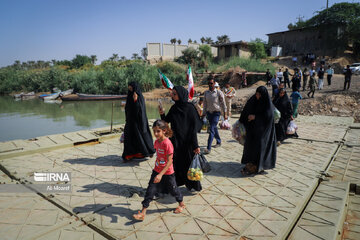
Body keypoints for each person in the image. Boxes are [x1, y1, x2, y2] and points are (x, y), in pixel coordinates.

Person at [133, 120, 185, 221]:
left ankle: (181, 204)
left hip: (168, 173)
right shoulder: (157, 142)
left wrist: (161, 175)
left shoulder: (168, 143)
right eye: (154, 131)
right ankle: (143, 212)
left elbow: (170, 161)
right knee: (150, 190)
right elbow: (156, 151)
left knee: (173, 190)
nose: (155, 134)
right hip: (157, 170)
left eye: (158, 131)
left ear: (164, 131)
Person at [159, 86, 202, 191]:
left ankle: (192, 185)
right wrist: (162, 114)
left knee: (189, 163)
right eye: (172, 93)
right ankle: (174, 184)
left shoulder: (190, 108)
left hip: (188, 143)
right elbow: (166, 122)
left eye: (174, 94)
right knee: (175, 163)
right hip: (175, 141)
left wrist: (196, 145)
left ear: (181, 95)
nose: (172, 95)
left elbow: (193, 129)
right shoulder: (174, 108)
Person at [239, 86, 277, 175]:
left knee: (260, 148)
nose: (257, 96)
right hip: (253, 130)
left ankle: (259, 166)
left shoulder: (267, 104)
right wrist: (247, 118)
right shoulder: (254, 100)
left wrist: (255, 117)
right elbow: (246, 110)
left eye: (259, 95)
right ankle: (251, 165)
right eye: (256, 94)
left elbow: (268, 117)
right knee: (251, 147)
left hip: (263, 132)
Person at [122, 82, 155, 161]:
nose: (130, 90)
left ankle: (148, 151)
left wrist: (135, 100)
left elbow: (140, 110)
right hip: (130, 122)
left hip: (138, 122)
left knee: (141, 137)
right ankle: (128, 155)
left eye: (131, 89)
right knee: (129, 138)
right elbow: (128, 109)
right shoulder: (129, 96)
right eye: (129, 89)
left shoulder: (139, 97)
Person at [202, 78, 227, 154]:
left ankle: (208, 148)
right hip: (209, 113)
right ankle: (219, 141)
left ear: (214, 84)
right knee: (214, 128)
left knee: (212, 129)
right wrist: (204, 113)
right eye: (209, 83)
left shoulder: (219, 92)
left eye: (211, 83)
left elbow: (223, 104)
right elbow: (205, 104)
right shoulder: (206, 93)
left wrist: (225, 114)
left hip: (216, 113)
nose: (210, 85)